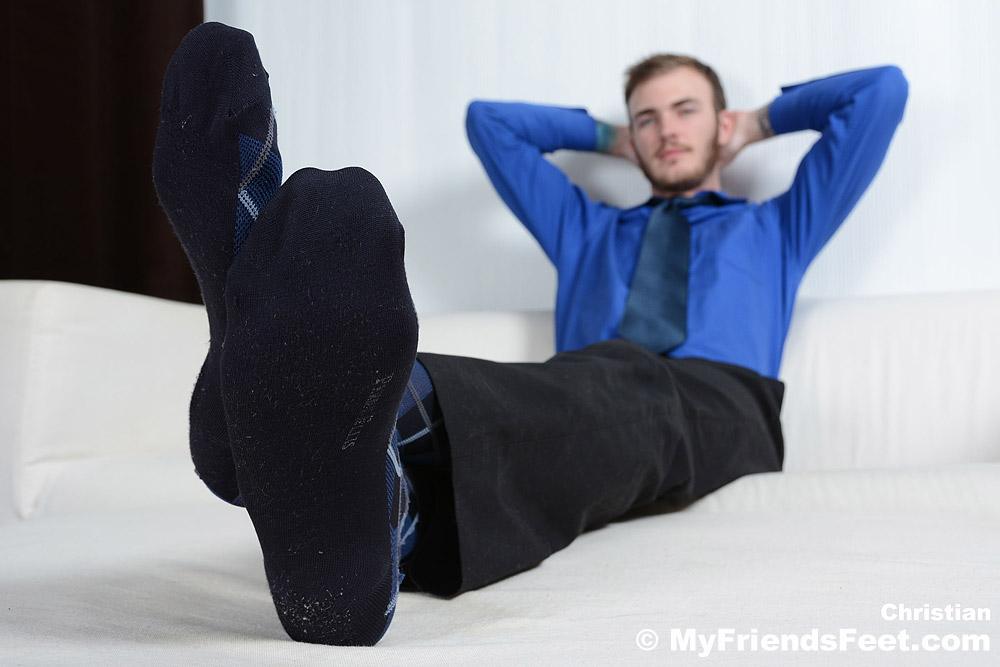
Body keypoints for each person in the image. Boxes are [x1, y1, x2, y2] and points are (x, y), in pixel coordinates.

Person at [152, 23, 907, 647]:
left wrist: (760, 122)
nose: (666, 130)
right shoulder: (587, 229)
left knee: (621, 389)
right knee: (565, 401)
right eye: (647, 118)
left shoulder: (777, 227)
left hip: (726, 405)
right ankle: (355, 538)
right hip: (590, 396)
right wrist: (610, 136)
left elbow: (880, 93)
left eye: (686, 111)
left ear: (722, 123)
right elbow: (491, 124)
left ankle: (275, 372)